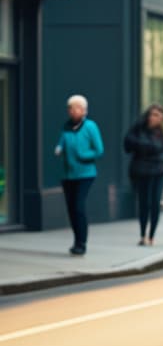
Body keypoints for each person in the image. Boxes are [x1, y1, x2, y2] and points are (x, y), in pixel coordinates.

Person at [55, 94, 103, 256]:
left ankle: (82, 243)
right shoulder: (66, 126)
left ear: (84, 110)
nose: (72, 111)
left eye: (76, 108)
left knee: (79, 206)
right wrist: (59, 148)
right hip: (68, 174)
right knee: (71, 209)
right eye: (70, 108)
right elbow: (62, 140)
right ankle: (76, 241)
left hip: (85, 174)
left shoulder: (90, 127)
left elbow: (99, 150)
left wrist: (83, 154)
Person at [124, 104, 163, 246]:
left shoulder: (161, 133)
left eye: (157, 115)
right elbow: (127, 144)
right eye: (152, 114)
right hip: (142, 171)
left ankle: (151, 236)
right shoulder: (139, 129)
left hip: (159, 171)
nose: (154, 117)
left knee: (155, 202)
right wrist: (147, 147)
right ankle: (143, 234)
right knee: (144, 202)